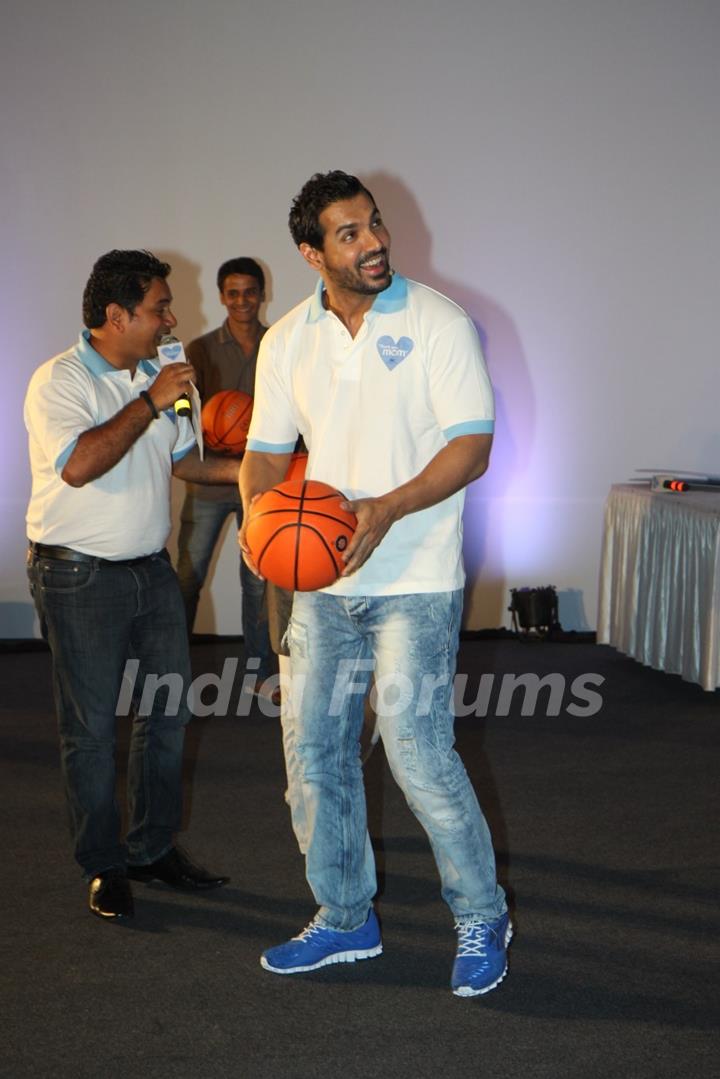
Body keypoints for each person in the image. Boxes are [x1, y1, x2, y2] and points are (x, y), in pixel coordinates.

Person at [239, 171, 510, 996]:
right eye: (349, 233)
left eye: (375, 225)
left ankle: (481, 912)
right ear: (311, 252)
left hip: (416, 578)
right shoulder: (287, 339)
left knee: (419, 756)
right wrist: (256, 519)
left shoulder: (438, 321)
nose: (373, 242)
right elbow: (261, 449)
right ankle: (346, 915)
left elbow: (473, 444)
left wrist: (387, 508)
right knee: (315, 757)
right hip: (319, 584)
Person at [25, 249, 237, 922]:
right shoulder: (57, 381)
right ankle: (102, 864)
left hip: (150, 571)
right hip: (77, 574)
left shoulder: (158, 373)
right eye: (158, 308)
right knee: (90, 730)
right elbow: (80, 464)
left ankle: (149, 849)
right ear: (115, 316)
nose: (171, 318)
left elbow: (186, 463)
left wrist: (265, 474)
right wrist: (150, 399)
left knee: (167, 714)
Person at [176, 257, 274, 696]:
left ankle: (259, 675)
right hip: (211, 479)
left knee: (258, 582)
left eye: (249, 291)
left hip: (262, 480)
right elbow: (186, 416)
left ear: (261, 293)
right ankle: (169, 672)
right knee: (188, 578)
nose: (241, 301)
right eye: (232, 293)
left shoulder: (280, 345)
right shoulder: (199, 350)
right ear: (221, 296)